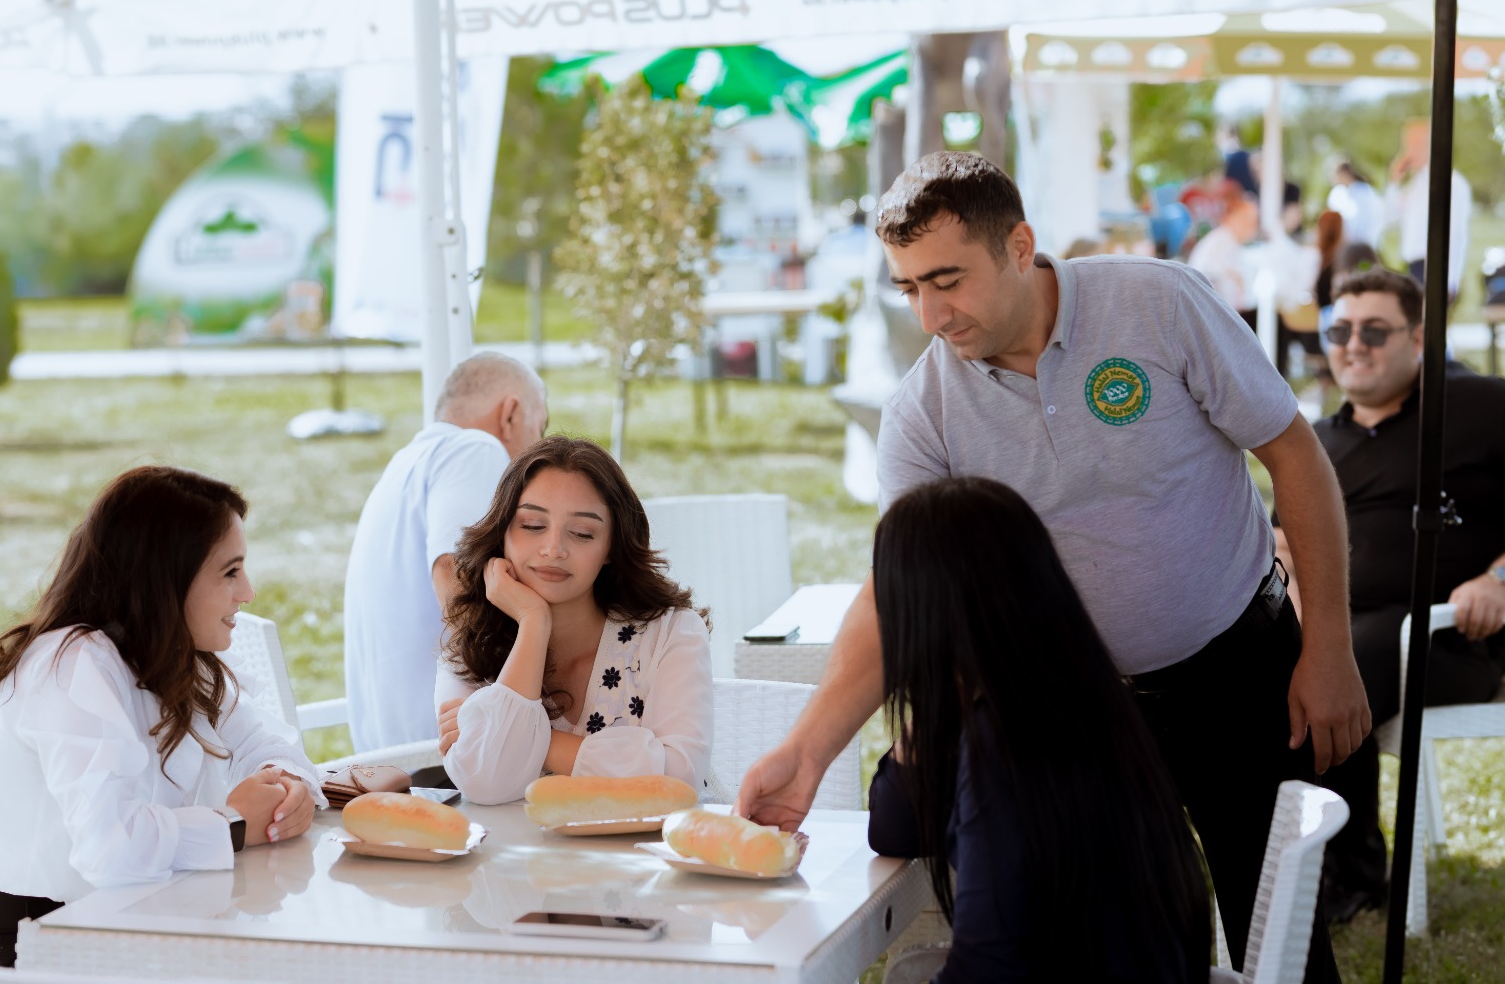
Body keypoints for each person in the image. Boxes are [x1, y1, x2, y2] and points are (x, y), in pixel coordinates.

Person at [736, 151, 1368, 982]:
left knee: (1279, 935)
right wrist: (808, 754)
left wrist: (1328, 646)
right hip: (1077, 714)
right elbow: (901, 594)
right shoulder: (922, 416)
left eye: (948, 279)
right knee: (1098, 946)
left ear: (1019, 245)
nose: (930, 314)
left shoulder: (1160, 302)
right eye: (909, 288)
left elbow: (1294, 454)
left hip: (1236, 665)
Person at [0, 466, 325, 966]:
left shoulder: (176, 659)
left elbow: (267, 743)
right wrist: (232, 824)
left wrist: (288, 784)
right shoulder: (73, 662)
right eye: (230, 572)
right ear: (167, 577)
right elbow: (112, 849)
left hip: (143, 940)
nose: (247, 591)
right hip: (39, 959)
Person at [867, 476, 1212, 982]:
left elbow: (986, 970)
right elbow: (894, 830)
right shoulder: (1075, 692)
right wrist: (937, 696)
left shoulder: (1004, 743)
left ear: (921, 610)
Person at [1276, 269, 1505, 922]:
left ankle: (1345, 871)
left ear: (1419, 338)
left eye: (1375, 330)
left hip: (1447, 636)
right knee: (1271, 673)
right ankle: (1301, 862)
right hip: (1338, 625)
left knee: (1331, 670)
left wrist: (1498, 580)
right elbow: (1281, 547)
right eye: (1339, 330)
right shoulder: (1315, 440)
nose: (1354, 344)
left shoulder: (1481, 408)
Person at [436, 436, 713, 805]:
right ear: (502, 534)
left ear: (611, 547)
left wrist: (530, 740)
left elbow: (679, 779)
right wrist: (534, 622)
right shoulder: (470, 645)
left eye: (582, 533)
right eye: (533, 525)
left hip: (656, 854)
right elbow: (486, 784)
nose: (554, 549)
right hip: (517, 861)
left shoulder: (672, 633)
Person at [342, 351, 548, 751]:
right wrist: (494, 698)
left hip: (386, 751)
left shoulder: (404, 463)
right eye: (539, 428)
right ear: (510, 414)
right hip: (447, 749)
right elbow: (454, 568)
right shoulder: (476, 449)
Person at [1385, 119, 1472, 301]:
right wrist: (1394, 181)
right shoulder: (1416, 184)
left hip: (1435, 268)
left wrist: (1450, 280)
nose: (1409, 151)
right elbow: (1389, 217)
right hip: (1415, 266)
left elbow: (1455, 233)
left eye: (1416, 145)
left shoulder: (1452, 183)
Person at [1186, 184, 1261, 327]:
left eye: (1253, 223)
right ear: (1232, 218)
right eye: (1247, 221)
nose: (1252, 228)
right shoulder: (1223, 241)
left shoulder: (1224, 239)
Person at [1325, 161, 1384, 247]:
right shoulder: (1339, 193)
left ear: (1345, 173)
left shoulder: (1364, 191)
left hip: (1365, 244)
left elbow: (1366, 219)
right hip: (1348, 246)